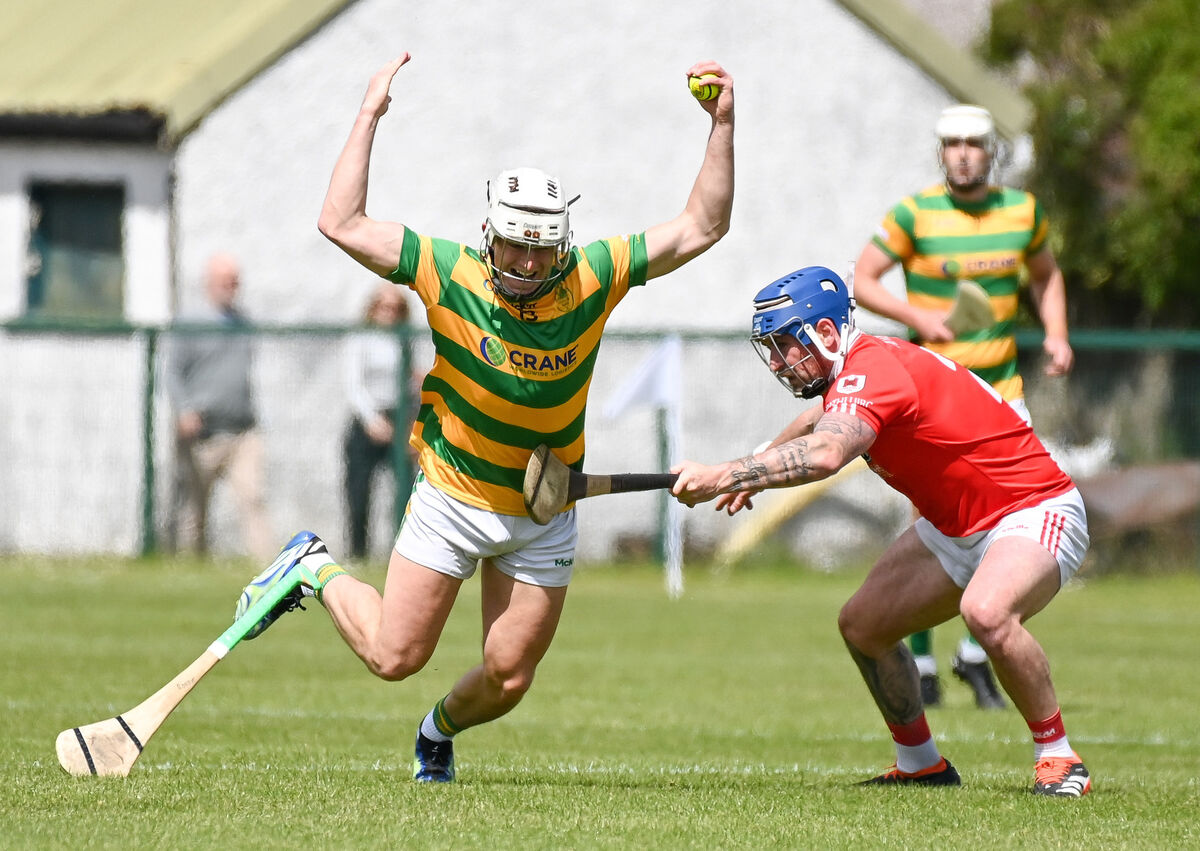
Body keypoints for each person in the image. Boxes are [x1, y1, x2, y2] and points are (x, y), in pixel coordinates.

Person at [231, 52, 735, 782]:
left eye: (541, 251)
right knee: (393, 656)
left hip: (545, 501)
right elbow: (339, 222)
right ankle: (312, 566)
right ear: (487, 234)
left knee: (508, 674)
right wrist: (369, 115)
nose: (528, 265)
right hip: (452, 496)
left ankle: (437, 732)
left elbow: (703, 224)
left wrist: (721, 123)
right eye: (515, 248)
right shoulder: (447, 271)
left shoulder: (594, 273)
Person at [670, 266, 1091, 797]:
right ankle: (921, 764)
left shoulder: (875, 368)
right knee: (863, 626)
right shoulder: (852, 372)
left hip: (1033, 508)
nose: (778, 363)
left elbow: (825, 452)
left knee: (986, 613)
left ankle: (1058, 756)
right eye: (771, 349)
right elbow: (814, 423)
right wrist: (754, 464)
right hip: (956, 528)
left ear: (826, 333)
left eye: (785, 346)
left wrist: (724, 474)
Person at [852, 104, 1074, 710]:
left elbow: (1046, 276)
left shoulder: (1021, 213)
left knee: (1015, 532)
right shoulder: (915, 214)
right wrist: (916, 316)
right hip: (932, 407)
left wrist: (1055, 332)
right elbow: (863, 279)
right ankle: (921, 662)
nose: (963, 154)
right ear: (940, 151)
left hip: (1002, 400)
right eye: (952, 144)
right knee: (929, 528)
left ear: (990, 151)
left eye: (974, 143)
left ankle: (978, 652)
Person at [165, 252, 274, 562]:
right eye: (226, 281)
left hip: (242, 430)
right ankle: (190, 567)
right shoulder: (190, 323)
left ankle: (269, 569)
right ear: (209, 283)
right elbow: (172, 372)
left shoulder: (244, 323)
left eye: (235, 281)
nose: (232, 287)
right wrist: (184, 410)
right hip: (203, 432)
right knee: (194, 508)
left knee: (253, 498)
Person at [343, 281, 417, 560]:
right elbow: (353, 384)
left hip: (399, 419)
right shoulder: (361, 338)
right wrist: (372, 420)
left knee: (405, 493)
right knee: (359, 494)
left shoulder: (404, 339)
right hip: (367, 422)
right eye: (384, 307)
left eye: (396, 308)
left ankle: (402, 555)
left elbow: (409, 384)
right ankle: (358, 554)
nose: (389, 313)